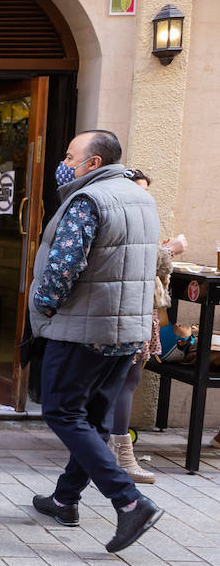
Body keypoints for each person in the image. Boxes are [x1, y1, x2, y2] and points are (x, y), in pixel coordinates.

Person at [28, 129, 163, 553]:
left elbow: (63, 266)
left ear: (94, 163)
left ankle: (129, 501)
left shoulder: (88, 201)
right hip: (126, 331)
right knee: (95, 417)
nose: (63, 163)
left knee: (64, 412)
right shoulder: (142, 197)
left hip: (85, 328)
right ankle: (65, 499)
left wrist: (44, 306)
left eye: (70, 155)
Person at [107, 168, 186, 483]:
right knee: (125, 379)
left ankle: (110, 453)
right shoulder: (123, 217)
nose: (143, 198)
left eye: (146, 193)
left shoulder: (126, 214)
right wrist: (171, 251)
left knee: (126, 378)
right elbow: (137, 259)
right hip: (128, 309)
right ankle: (119, 457)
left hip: (135, 309)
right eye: (138, 190)